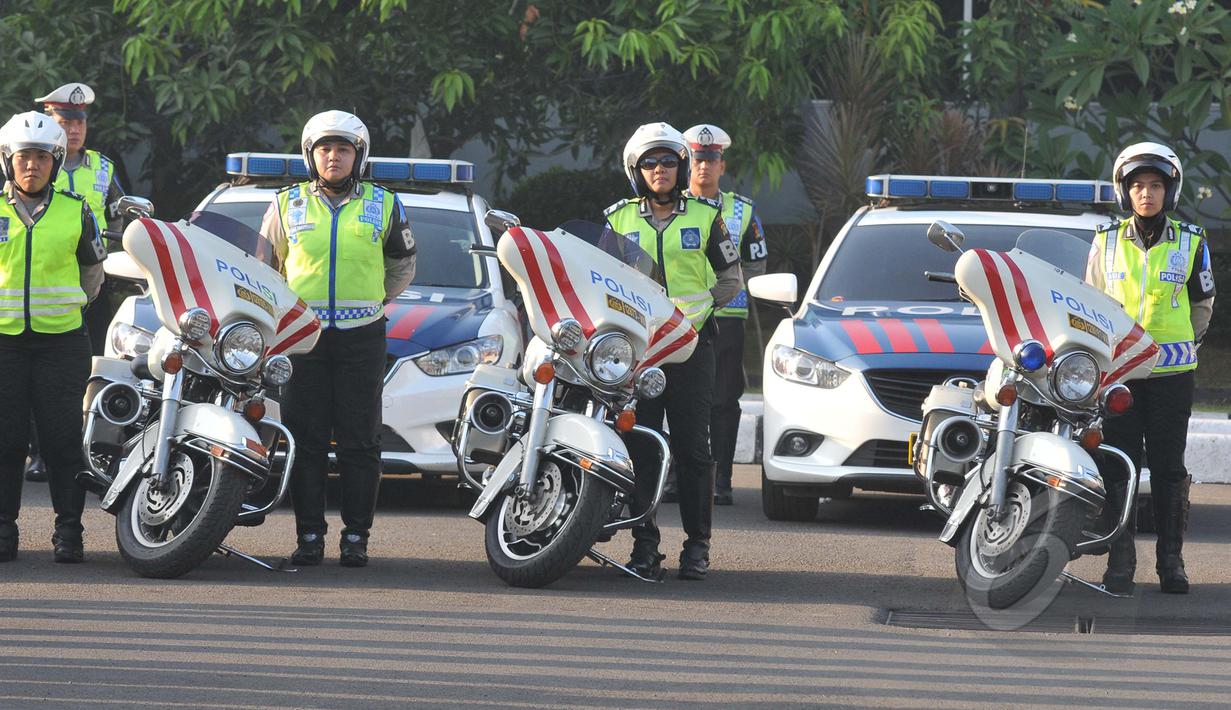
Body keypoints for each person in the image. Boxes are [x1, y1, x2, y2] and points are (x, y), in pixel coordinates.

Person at [259, 110, 416, 568]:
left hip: (362, 336)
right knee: (305, 440)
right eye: (325, 149)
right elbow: (267, 268)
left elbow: (402, 267)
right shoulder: (285, 204)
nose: (333, 157)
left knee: (360, 441)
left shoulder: (385, 203)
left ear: (358, 156)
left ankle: (355, 538)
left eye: (343, 149)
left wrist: (368, 301)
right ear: (311, 155)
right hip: (303, 339)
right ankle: (309, 536)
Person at [603, 122, 742, 580]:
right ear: (635, 170)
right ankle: (644, 545)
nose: (659, 169)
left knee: (691, 449)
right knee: (641, 444)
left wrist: (695, 321)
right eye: (649, 162)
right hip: (641, 353)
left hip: (690, 350)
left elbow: (729, 281)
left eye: (667, 161)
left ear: (682, 166)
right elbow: (599, 279)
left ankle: (697, 547)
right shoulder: (617, 218)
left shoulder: (705, 217)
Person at [1086, 142, 1216, 595]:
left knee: (1167, 468)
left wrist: (1182, 349)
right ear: (1125, 192)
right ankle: (1120, 562)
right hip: (1120, 376)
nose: (1147, 194)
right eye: (1138, 185)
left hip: (1172, 377)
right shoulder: (1103, 243)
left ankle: (1171, 562)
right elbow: (1091, 304)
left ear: (1170, 190)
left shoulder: (1192, 241)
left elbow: (1203, 304)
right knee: (1118, 465)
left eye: (1156, 185)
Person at [0, 111, 106, 563]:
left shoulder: (74, 209)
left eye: (42, 157)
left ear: (55, 161)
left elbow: (93, 276)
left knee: (63, 439)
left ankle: (69, 532)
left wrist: (67, 308)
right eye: (24, 157)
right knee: (6, 441)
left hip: (62, 343)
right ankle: (4, 533)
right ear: (8, 160)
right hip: (4, 342)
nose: (32, 166)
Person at [22, 83, 126, 484]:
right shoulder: (32, 162)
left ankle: (85, 449)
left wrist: (112, 254)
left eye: (79, 122)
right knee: (33, 373)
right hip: (40, 283)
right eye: (65, 121)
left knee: (87, 370)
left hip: (91, 286)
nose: (75, 129)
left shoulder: (103, 167)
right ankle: (38, 454)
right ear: (50, 122)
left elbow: (119, 217)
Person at [683, 123, 768, 506]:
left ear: (722, 164)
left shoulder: (743, 211)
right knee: (675, 399)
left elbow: (756, 266)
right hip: (677, 320)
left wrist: (721, 294)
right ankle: (672, 479)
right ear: (688, 162)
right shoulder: (670, 205)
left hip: (726, 319)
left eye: (711, 159)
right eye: (698, 159)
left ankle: (721, 481)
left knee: (722, 400)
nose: (704, 166)